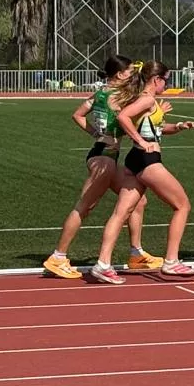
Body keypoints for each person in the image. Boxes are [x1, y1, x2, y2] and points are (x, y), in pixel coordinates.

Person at [42, 55, 162, 279]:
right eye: (128, 71)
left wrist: (97, 134)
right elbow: (129, 115)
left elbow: (77, 115)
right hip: (105, 158)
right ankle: (58, 257)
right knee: (85, 206)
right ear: (119, 74)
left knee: (137, 201)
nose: (131, 74)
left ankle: (136, 253)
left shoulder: (100, 93)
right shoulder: (119, 96)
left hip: (102, 153)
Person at [88, 60, 194, 283]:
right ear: (156, 79)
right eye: (166, 80)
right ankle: (171, 261)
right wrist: (139, 140)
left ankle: (102, 263)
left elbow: (154, 129)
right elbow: (123, 117)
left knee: (121, 213)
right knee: (182, 205)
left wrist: (177, 127)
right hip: (147, 160)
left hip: (135, 160)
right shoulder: (147, 98)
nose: (167, 84)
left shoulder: (148, 100)